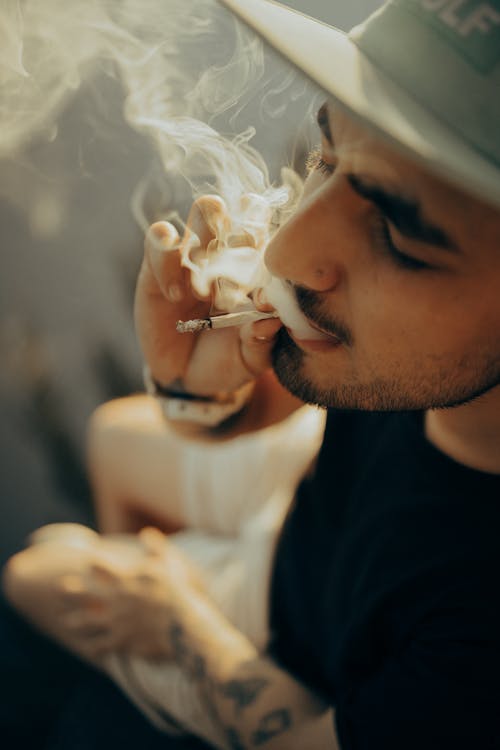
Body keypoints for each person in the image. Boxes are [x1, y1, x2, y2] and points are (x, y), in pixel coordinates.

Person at [3, 0, 500, 748]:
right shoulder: (435, 370)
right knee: (116, 433)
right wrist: (200, 391)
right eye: (326, 159)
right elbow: (298, 411)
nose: (286, 252)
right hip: (307, 528)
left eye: (397, 232)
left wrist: (174, 621)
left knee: (37, 574)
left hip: (302, 656)